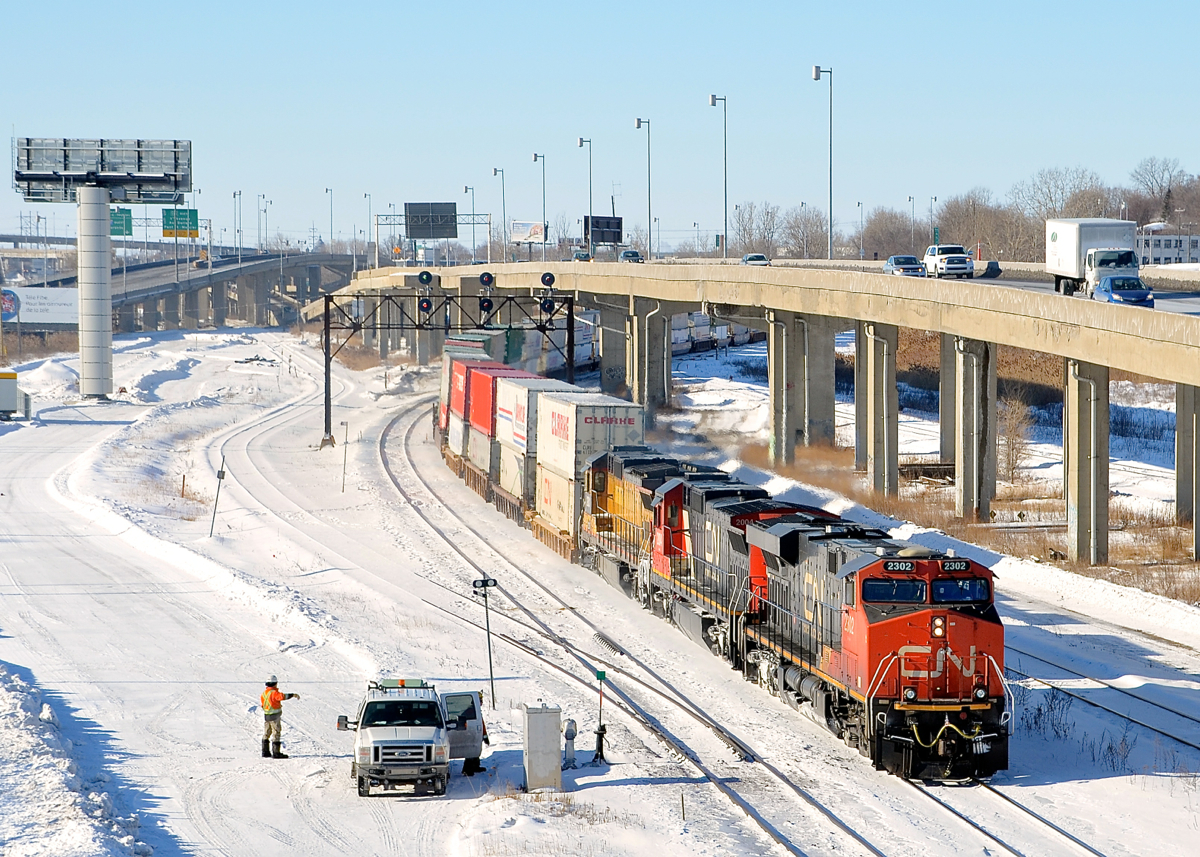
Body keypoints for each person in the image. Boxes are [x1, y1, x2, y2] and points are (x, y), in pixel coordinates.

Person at [260, 675, 300, 759]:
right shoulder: (274, 693)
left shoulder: (264, 694)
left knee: (267, 732)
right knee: (276, 732)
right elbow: (282, 696)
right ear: (275, 683)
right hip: (274, 717)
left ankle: (265, 751)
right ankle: (276, 752)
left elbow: (263, 704)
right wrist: (292, 695)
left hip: (267, 716)